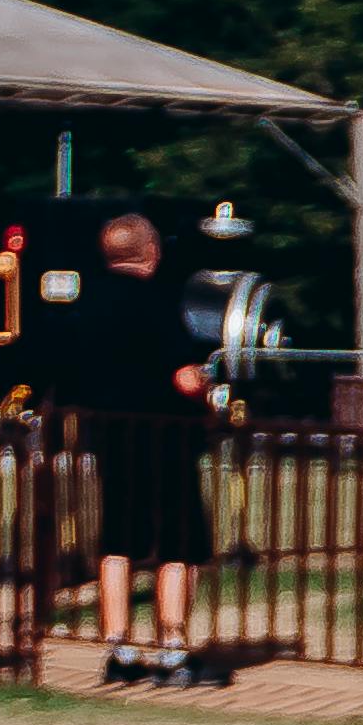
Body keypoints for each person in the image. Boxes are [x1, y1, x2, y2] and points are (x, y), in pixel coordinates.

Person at [51, 211, 215, 685]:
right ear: (152, 252)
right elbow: (184, 377)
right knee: (179, 544)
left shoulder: (83, 306)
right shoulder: (158, 302)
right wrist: (206, 388)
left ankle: (118, 647)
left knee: (118, 540)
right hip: (166, 436)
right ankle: (172, 648)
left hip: (110, 436)